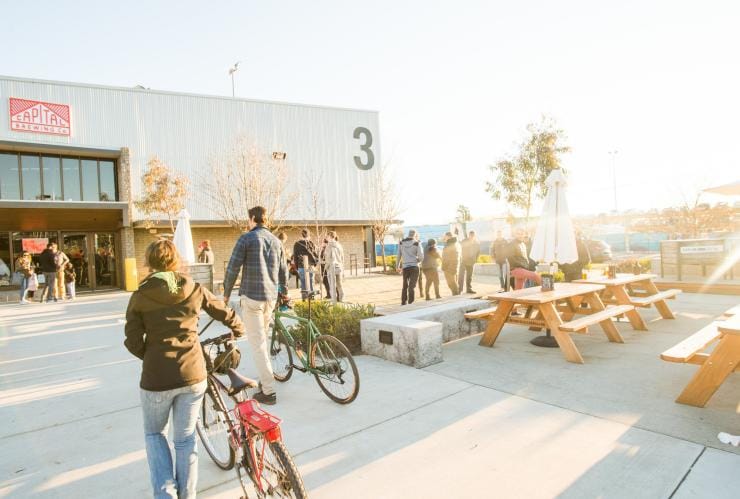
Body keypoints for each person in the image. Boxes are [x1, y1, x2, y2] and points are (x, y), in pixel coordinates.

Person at [125, 239, 245, 499]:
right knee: (186, 439)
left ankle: (165, 495)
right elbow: (223, 310)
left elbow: (132, 340)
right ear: (175, 261)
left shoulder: (140, 295)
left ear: (149, 263)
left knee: (155, 434)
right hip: (193, 374)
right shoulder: (194, 288)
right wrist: (238, 328)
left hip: (156, 378)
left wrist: (152, 356)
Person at [223, 206, 288, 405]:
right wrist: (283, 293)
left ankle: (268, 391)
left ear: (252, 218)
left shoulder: (246, 238)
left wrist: (226, 294)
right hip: (270, 298)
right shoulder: (276, 241)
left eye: (248, 219)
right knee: (262, 341)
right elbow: (283, 272)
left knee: (258, 344)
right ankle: (266, 379)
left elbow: (233, 267)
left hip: (252, 298)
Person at [396, 229, 424, 305]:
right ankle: (411, 303)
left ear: (408, 234)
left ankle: (403, 302)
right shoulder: (417, 243)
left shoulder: (401, 243)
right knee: (412, 286)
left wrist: (397, 266)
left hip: (405, 267)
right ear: (415, 235)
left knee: (405, 285)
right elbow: (421, 257)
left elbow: (398, 255)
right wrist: (416, 260)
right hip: (414, 267)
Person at [292, 229, 318, 300]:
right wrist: (314, 264)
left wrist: (297, 266)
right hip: (311, 266)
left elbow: (295, 256)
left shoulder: (297, 244)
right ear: (309, 235)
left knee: (303, 283)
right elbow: (315, 255)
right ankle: (312, 298)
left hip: (301, 266)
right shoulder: (311, 243)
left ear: (301, 235)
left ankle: (304, 299)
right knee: (311, 282)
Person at [325, 231, 345, 302]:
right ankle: (341, 299)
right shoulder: (339, 245)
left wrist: (326, 268)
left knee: (332, 286)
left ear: (330, 236)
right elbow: (342, 258)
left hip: (331, 268)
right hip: (339, 267)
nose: (326, 238)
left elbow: (328, 258)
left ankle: (334, 301)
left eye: (327, 236)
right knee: (339, 285)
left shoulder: (329, 246)